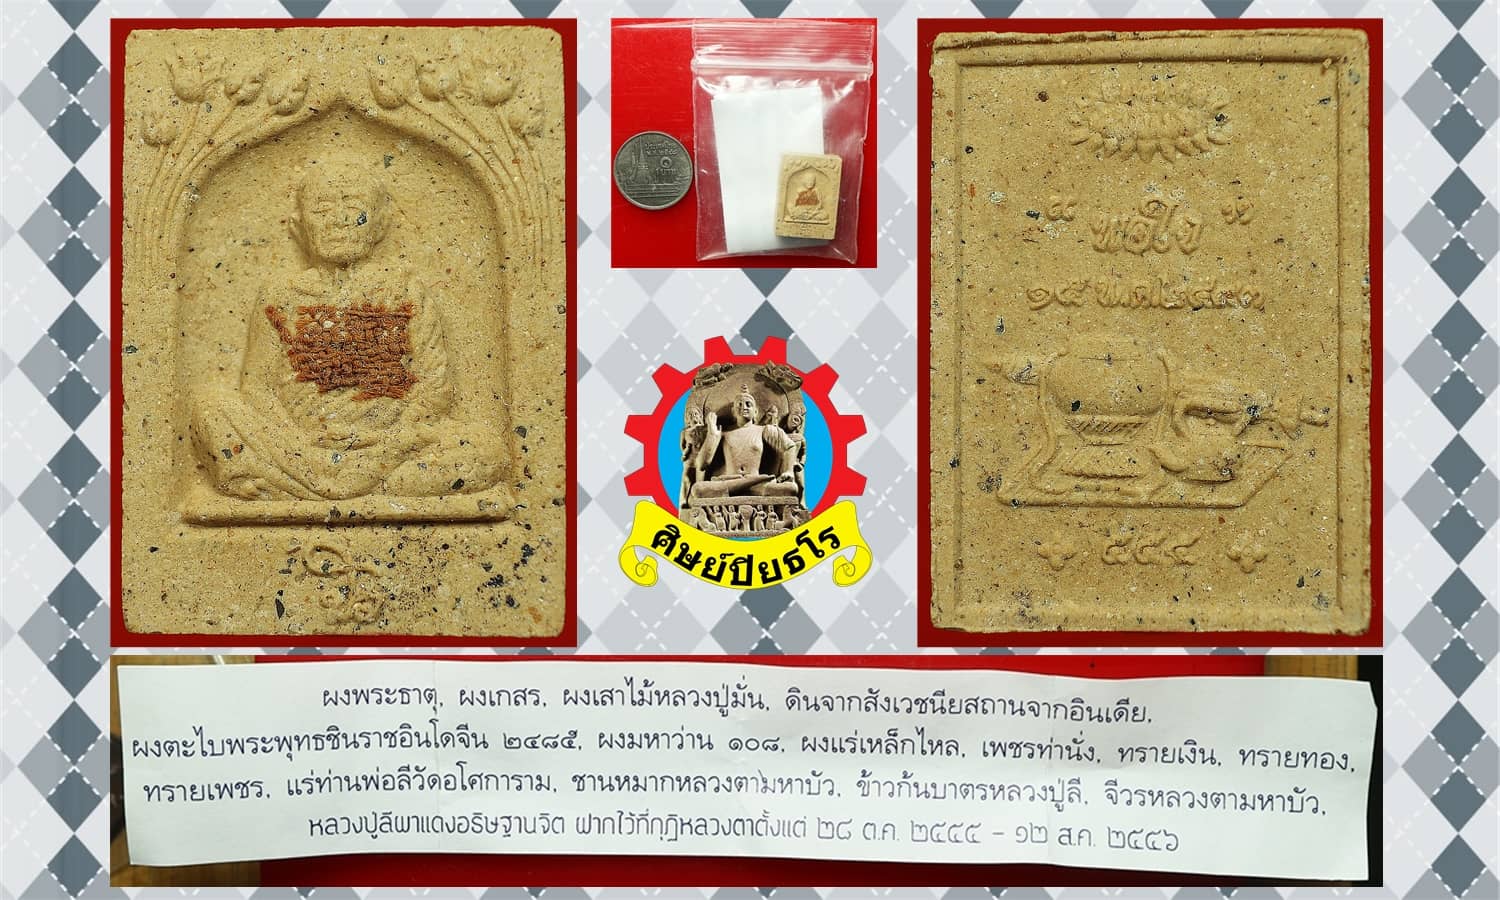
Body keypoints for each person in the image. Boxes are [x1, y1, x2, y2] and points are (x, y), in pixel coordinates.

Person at [191, 159, 504, 501]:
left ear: (381, 223)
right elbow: (257, 387)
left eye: (353, 207)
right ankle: (356, 483)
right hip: (300, 444)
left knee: (485, 450)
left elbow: (434, 387)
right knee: (212, 408)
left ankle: (316, 483)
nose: (338, 220)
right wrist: (298, 439)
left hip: (387, 444)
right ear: (299, 226)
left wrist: (392, 438)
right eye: (322, 210)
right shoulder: (281, 295)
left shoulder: (404, 290)